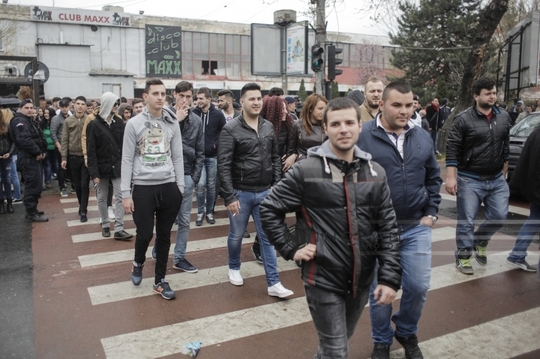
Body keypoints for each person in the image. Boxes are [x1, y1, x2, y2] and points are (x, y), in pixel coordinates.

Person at [260, 97, 402, 358]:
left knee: (336, 344)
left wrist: (390, 277)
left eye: (349, 122)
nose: (343, 129)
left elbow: (388, 227)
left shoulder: (376, 173)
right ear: (325, 128)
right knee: (337, 350)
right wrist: (291, 248)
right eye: (335, 124)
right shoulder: (306, 170)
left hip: (362, 277)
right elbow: (269, 208)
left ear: (361, 125)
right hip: (322, 276)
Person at [358, 81, 442, 359]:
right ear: (381, 104)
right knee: (382, 291)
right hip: (378, 229)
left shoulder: (422, 136)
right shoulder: (362, 135)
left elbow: (432, 177)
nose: (404, 111)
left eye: (409, 105)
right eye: (397, 105)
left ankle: (405, 330)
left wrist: (431, 211)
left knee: (418, 287)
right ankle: (382, 341)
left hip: (416, 226)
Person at [218, 82, 293, 298]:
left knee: (267, 237)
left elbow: (275, 158)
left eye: (259, 98)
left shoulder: (268, 127)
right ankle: (234, 266)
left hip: (265, 192)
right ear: (241, 102)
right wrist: (229, 196)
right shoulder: (230, 129)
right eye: (252, 99)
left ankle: (274, 282)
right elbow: (223, 165)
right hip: (240, 193)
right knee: (237, 234)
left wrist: (276, 186)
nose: (257, 102)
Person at [122, 78, 184, 300]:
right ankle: (138, 263)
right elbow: (127, 160)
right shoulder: (133, 124)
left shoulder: (171, 122)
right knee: (145, 234)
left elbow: (177, 155)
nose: (160, 97)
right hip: (143, 188)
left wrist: (180, 187)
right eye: (155, 93)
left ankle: (160, 281)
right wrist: (125, 194)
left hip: (168, 187)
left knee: (165, 235)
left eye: (163, 94)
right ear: (145, 97)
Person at [445, 77, 511, 275]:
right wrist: (450, 176)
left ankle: (481, 239)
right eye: (488, 93)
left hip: (496, 178)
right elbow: (452, 148)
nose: (492, 96)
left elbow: (505, 144)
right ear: (476, 96)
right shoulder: (463, 119)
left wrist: (504, 168)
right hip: (469, 178)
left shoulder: (504, 117)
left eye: (494, 92)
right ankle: (464, 257)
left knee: (499, 216)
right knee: (466, 220)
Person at [162, 80, 204, 273]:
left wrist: (194, 178)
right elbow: (159, 142)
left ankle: (179, 257)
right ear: (175, 95)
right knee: (165, 218)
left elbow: (200, 150)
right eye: (182, 96)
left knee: (185, 220)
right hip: (166, 175)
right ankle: (158, 249)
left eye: (189, 97)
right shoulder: (164, 116)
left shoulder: (196, 120)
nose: (185, 100)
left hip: (187, 174)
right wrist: (176, 120)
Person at [250, 95, 294, 264]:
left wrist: (292, 155)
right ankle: (259, 245)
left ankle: (264, 243)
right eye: (281, 108)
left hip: (284, 174)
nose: (285, 110)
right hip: (267, 176)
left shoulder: (290, 123)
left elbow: (296, 145)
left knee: (278, 213)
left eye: (285, 106)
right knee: (268, 213)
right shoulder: (263, 127)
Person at [87, 92, 133, 240]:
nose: (116, 106)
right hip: (101, 168)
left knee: (120, 196)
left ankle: (119, 228)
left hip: (117, 166)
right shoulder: (93, 125)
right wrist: (94, 173)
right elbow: (91, 151)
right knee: (101, 197)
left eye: (117, 103)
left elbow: (124, 147)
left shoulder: (119, 123)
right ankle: (106, 224)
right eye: (114, 104)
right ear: (107, 104)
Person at [506, 126, 540, 272]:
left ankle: (517, 254)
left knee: (533, 219)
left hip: (535, 186)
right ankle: (517, 255)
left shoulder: (536, 132)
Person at [192, 87, 226, 226]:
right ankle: (200, 212)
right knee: (200, 185)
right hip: (198, 157)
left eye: (201, 98)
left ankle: (210, 212)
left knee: (211, 186)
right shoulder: (193, 113)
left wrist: (216, 144)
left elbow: (224, 132)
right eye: (197, 98)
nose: (198, 101)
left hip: (212, 156)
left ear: (208, 99)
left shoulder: (218, 115)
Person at [10, 99, 48, 222]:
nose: (30, 110)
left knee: (36, 185)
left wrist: (41, 152)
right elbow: (24, 140)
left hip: (33, 157)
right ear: (20, 108)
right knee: (32, 185)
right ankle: (31, 212)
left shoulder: (28, 120)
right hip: (28, 157)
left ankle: (33, 209)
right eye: (27, 108)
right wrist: (37, 152)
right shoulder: (19, 121)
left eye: (31, 108)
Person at [61, 96, 91, 222]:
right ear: (74, 105)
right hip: (73, 157)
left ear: (85, 106)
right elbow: (65, 140)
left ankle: (84, 210)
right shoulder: (68, 121)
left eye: (82, 104)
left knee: (85, 185)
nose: (80, 106)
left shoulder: (89, 120)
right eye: (78, 103)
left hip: (85, 157)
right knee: (77, 185)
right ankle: (81, 205)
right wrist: (64, 157)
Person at [285, 93, 327, 169]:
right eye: (320, 109)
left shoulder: (328, 125)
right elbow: (291, 149)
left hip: (323, 166)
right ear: (311, 109)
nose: (323, 112)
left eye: (325, 108)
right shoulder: (297, 125)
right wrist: (294, 156)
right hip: (302, 166)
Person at [51, 98, 71, 197]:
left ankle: (74, 186)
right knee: (61, 167)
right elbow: (53, 133)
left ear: (69, 106)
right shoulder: (56, 118)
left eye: (66, 107)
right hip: (60, 146)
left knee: (71, 167)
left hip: (71, 145)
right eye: (62, 107)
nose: (64, 109)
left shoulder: (71, 117)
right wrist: (58, 145)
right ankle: (62, 187)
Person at [0, 108, 15, 214]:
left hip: (6, 156)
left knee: (7, 180)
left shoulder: (7, 125)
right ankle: (1, 204)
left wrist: (9, 153)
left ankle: (9, 203)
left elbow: (13, 142)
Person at [39, 107, 57, 189]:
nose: (46, 115)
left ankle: (61, 181)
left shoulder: (55, 123)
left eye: (48, 113)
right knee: (47, 165)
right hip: (46, 147)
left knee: (56, 165)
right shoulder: (41, 124)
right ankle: (48, 181)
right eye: (45, 113)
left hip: (55, 147)